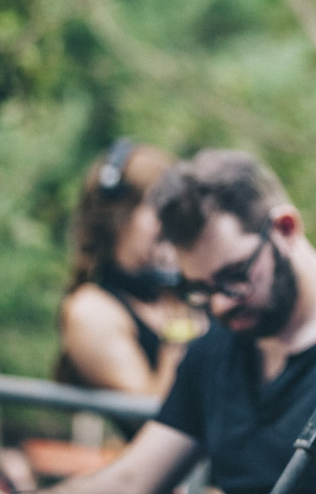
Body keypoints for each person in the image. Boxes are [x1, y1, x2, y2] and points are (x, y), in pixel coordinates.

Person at [39, 148, 316, 494]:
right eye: (199, 289)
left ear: (285, 229)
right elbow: (131, 479)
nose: (219, 305)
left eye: (235, 276)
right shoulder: (217, 342)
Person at [56, 139, 206, 408]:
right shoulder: (90, 310)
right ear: (119, 216)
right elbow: (150, 414)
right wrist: (181, 330)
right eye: (162, 207)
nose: (175, 222)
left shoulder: (182, 289)